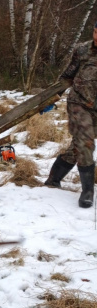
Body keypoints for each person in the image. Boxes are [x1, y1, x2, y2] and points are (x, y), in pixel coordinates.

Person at [45, 21, 97, 208]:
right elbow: (67, 76)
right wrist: (50, 98)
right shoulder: (82, 50)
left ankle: (54, 179)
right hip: (79, 103)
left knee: (78, 146)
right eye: (96, 32)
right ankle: (87, 192)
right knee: (85, 143)